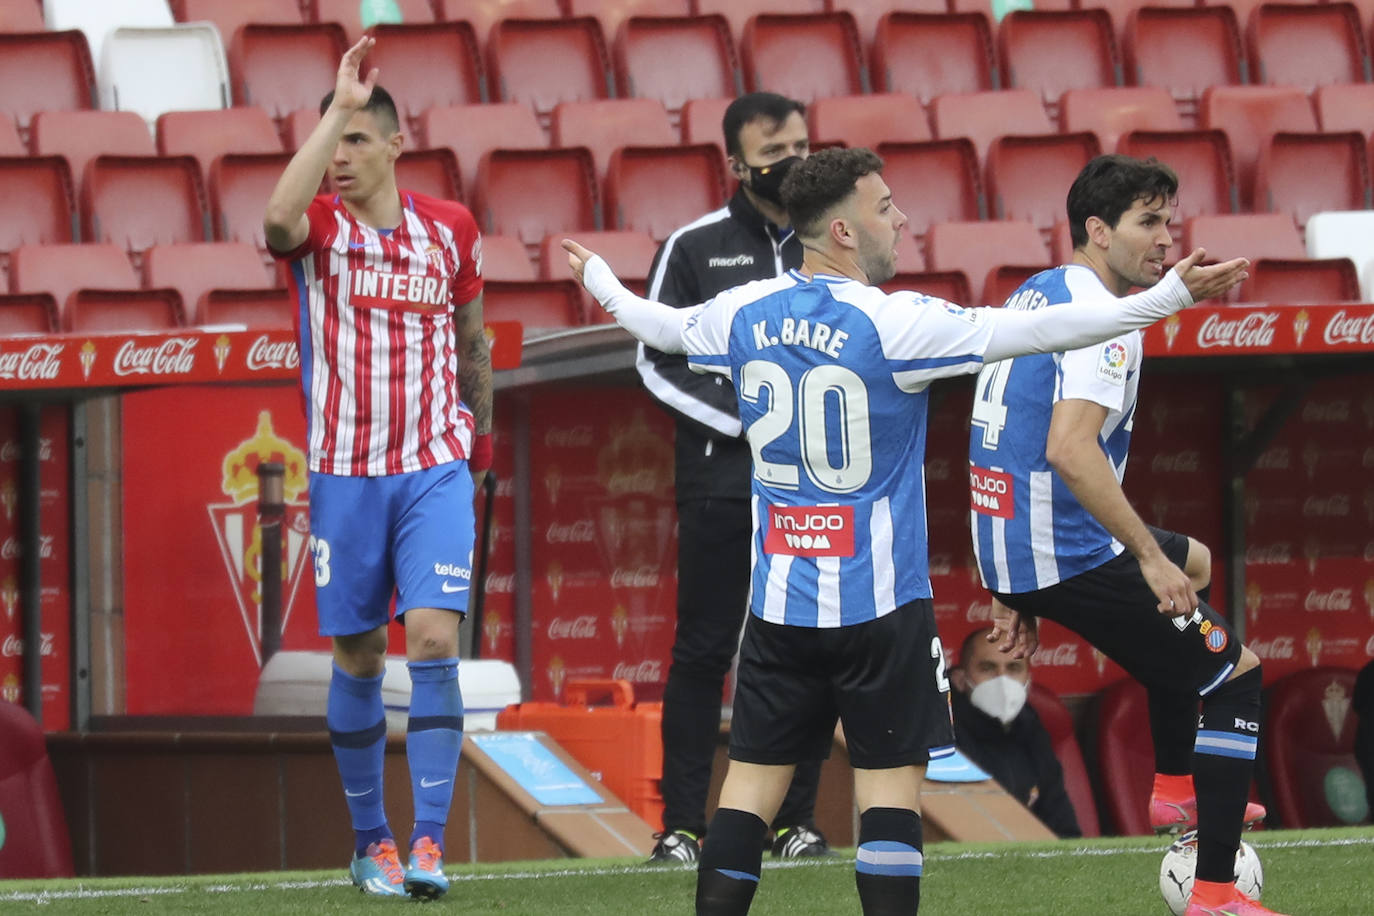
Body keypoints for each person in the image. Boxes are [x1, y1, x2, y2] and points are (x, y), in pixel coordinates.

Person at [563, 147, 1247, 915]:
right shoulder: (897, 322)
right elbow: (1046, 332)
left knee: (747, 795)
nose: (902, 218)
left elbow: (655, 324)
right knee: (888, 800)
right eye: (886, 206)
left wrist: (596, 279)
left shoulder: (740, 312)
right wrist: (1167, 298)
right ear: (846, 231)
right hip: (881, 608)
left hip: (781, 608)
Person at [967, 154, 1280, 916]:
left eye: (1169, 221)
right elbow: (1069, 450)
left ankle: (1174, 788)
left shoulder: (1037, 291)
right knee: (1236, 675)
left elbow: (1000, 437)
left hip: (1015, 541)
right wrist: (1145, 559)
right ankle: (1212, 892)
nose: (1166, 239)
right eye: (1148, 223)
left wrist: (1008, 581)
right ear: (1097, 230)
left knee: (1197, 563)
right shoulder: (1109, 324)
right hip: (1061, 549)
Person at [262, 36, 491, 900]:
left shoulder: (452, 231)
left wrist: (481, 443)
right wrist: (335, 108)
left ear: (397, 144)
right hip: (345, 474)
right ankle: (371, 842)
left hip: (434, 465)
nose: (341, 156)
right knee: (358, 658)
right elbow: (275, 221)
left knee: (435, 640)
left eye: (357, 139)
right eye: (332, 141)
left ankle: (429, 843)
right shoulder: (320, 229)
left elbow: (474, 342)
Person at [638, 91, 830, 864]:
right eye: (776, 150)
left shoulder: (831, 240)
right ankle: (682, 826)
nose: (792, 162)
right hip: (722, 486)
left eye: (802, 146)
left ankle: (796, 822)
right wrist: (753, 419)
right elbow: (654, 359)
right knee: (704, 652)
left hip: (813, 490)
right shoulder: (693, 247)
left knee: (807, 647)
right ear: (736, 162)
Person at [949, 625, 1081, 838]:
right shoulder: (944, 732)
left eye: (1013, 668)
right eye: (988, 668)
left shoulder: (1032, 728)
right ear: (960, 679)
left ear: (1028, 680)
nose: (1002, 679)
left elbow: (1063, 825)